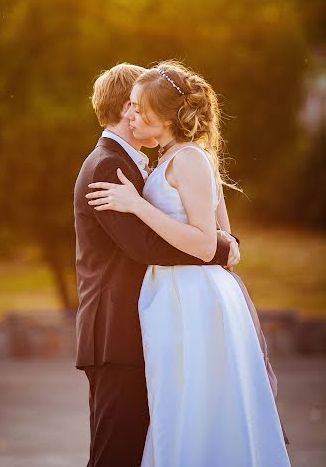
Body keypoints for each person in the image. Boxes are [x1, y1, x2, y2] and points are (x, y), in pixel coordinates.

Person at [86, 60, 291, 466]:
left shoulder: (191, 160)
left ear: (162, 117)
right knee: (177, 407)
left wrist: (136, 207)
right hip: (169, 296)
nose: (133, 115)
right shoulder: (167, 159)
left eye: (140, 109)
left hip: (193, 298)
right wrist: (221, 243)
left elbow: (208, 241)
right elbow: (220, 240)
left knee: (201, 407)